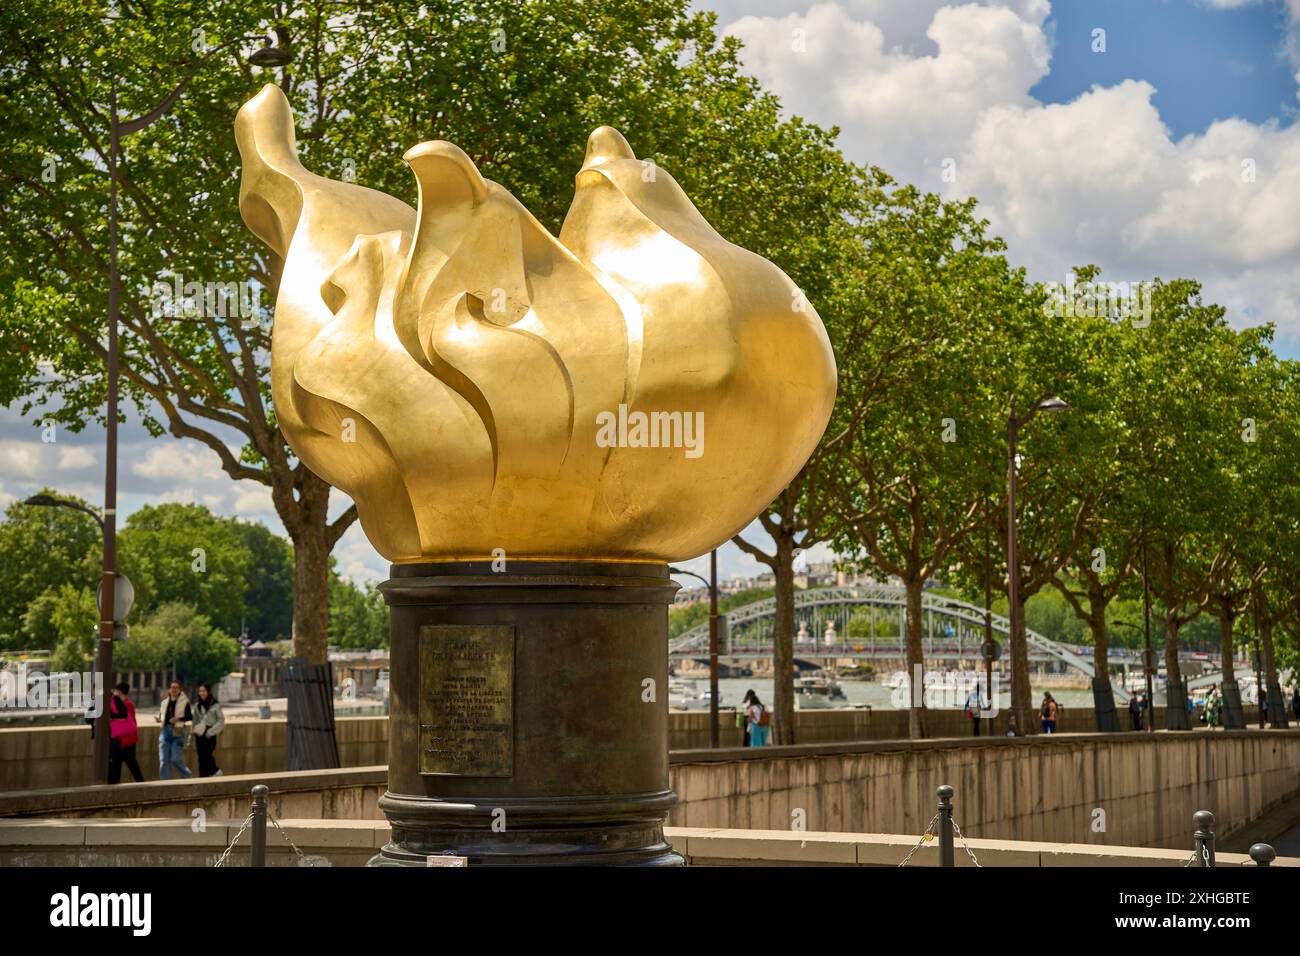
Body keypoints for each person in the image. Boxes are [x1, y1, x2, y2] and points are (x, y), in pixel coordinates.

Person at [108, 683, 143, 784]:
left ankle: (141, 784)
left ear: (118, 692)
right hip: (129, 740)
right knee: (131, 764)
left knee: (118, 766)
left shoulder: (124, 705)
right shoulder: (129, 704)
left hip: (123, 741)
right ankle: (141, 784)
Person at [157, 680, 193, 779]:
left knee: (175, 759)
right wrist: (159, 719)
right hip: (165, 731)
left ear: (179, 690)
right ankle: (165, 784)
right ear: (169, 689)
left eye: (176, 688)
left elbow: (190, 717)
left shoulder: (184, 702)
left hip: (178, 731)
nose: (174, 690)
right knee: (164, 760)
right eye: (172, 687)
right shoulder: (164, 702)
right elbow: (162, 716)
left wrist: (178, 719)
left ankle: (188, 777)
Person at [191, 682, 225, 777]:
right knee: (201, 758)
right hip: (199, 734)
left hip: (210, 734)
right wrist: (193, 731)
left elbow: (221, 721)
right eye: (200, 691)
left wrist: (210, 732)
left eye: (204, 691)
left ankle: (216, 771)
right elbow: (195, 721)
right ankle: (203, 779)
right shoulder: (197, 706)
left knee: (207, 756)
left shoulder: (215, 705)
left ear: (208, 692)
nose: (202, 693)